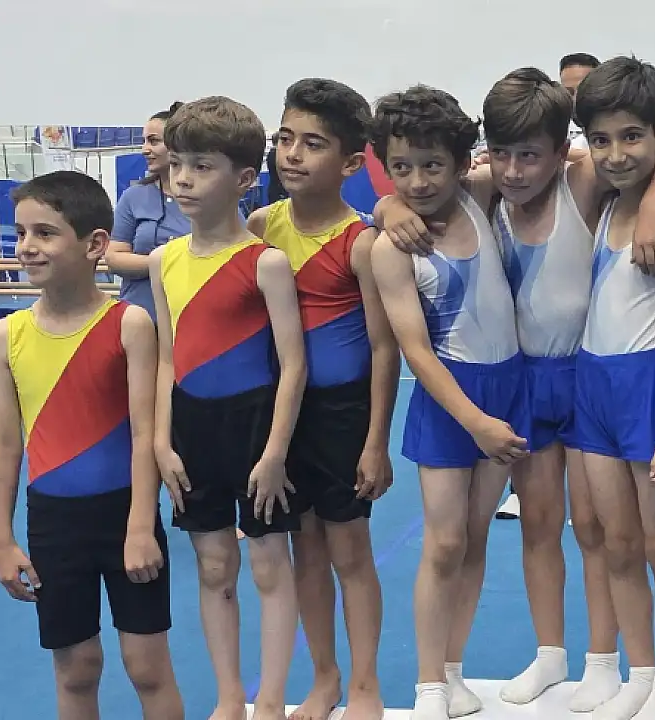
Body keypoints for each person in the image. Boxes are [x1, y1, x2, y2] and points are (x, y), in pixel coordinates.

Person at [374, 66, 655, 712]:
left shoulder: (582, 182)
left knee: (596, 529)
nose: (516, 171)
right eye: (503, 154)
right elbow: (412, 185)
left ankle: (603, 659)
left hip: (581, 375)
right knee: (540, 524)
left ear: (560, 150)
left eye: (530, 156)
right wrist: (390, 206)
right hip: (521, 381)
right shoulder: (484, 189)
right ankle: (552, 654)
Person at [0, 170, 182, 719]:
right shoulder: (6, 337)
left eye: (45, 233)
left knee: (148, 667)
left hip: (124, 516)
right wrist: (1, 541)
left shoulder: (129, 325)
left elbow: (144, 434)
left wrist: (140, 526)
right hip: (54, 524)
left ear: (95, 244)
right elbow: (3, 445)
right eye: (21, 233)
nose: (27, 246)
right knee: (75, 670)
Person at [368, 84, 528, 720]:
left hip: (506, 385)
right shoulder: (392, 247)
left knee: (476, 537)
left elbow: (565, 158)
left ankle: (454, 667)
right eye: (400, 168)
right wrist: (476, 421)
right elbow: (415, 350)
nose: (417, 181)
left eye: (432, 165)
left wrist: (385, 202)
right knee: (443, 541)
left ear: (463, 163)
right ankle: (428, 682)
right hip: (450, 398)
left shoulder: (480, 195)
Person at [148, 97, 307, 720]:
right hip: (191, 428)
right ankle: (228, 698)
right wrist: (161, 442)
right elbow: (167, 359)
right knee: (214, 565)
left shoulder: (265, 263)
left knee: (268, 564)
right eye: (177, 164)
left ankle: (270, 700)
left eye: (202, 166)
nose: (183, 179)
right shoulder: (163, 261)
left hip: (253, 427)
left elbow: (293, 364)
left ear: (243, 178)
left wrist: (274, 453)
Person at [245, 78, 398, 720]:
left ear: (351, 162)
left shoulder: (361, 242)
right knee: (304, 548)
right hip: (283, 412)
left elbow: (385, 349)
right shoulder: (261, 227)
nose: (292, 154)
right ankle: (325, 676)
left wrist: (375, 442)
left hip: (341, 412)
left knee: (349, 549)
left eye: (312, 144)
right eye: (285, 139)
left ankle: (365, 682)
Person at [571, 56, 655, 720]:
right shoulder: (602, 203)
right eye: (601, 140)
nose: (615, 154)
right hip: (592, 385)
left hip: (650, 385)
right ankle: (641, 670)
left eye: (631, 136)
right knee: (616, 541)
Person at [106, 102, 190, 319]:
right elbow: (114, 257)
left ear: (177, 144)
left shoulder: (209, 199)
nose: (145, 149)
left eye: (154, 141)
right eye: (144, 141)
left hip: (191, 316)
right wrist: (167, 262)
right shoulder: (133, 197)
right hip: (140, 318)